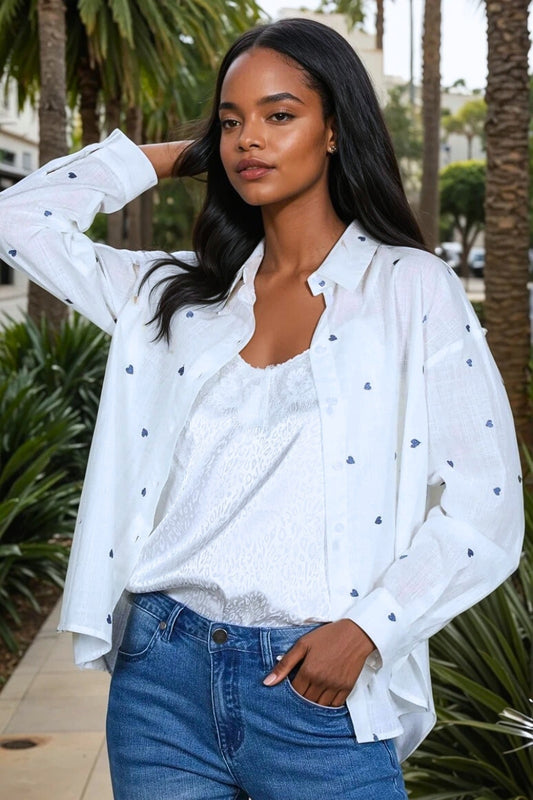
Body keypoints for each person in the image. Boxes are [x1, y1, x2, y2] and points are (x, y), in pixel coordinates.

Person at [0, 17, 524, 800]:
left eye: (280, 116)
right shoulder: (172, 296)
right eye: (231, 121)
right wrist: (183, 154)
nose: (251, 139)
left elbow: (485, 501)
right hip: (161, 680)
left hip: (317, 688)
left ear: (335, 131)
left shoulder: (408, 289)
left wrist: (366, 631)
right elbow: (18, 219)